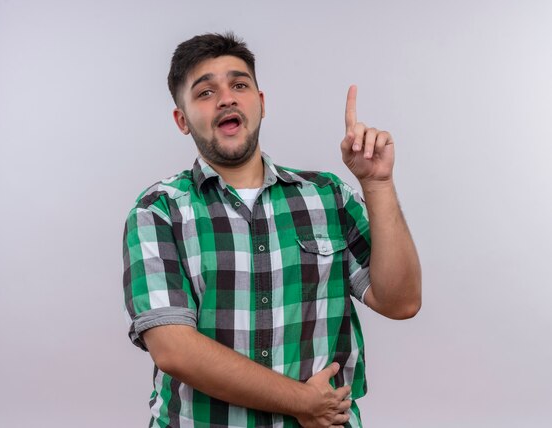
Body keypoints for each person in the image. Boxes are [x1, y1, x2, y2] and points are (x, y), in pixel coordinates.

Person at [122, 32, 421, 428]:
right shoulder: (158, 211)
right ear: (182, 119)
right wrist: (303, 402)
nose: (227, 98)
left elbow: (400, 302)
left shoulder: (327, 196)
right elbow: (175, 349)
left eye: (239, 85)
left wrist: (378, 184)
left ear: (261, 104)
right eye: (205, 93)